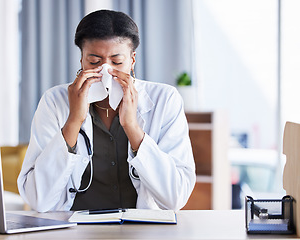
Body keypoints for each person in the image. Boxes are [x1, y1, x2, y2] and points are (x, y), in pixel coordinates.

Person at [17, 9, 196, 212]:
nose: (105, 71)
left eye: (117, 62)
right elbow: (38, 200)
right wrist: (74, 120)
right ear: (82, 60)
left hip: (142, 230)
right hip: (74, 230)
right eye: (94, 62)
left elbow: (175, 198)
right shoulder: (54, 101)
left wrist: (132, 126)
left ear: (132, 60)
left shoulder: (165, 99)